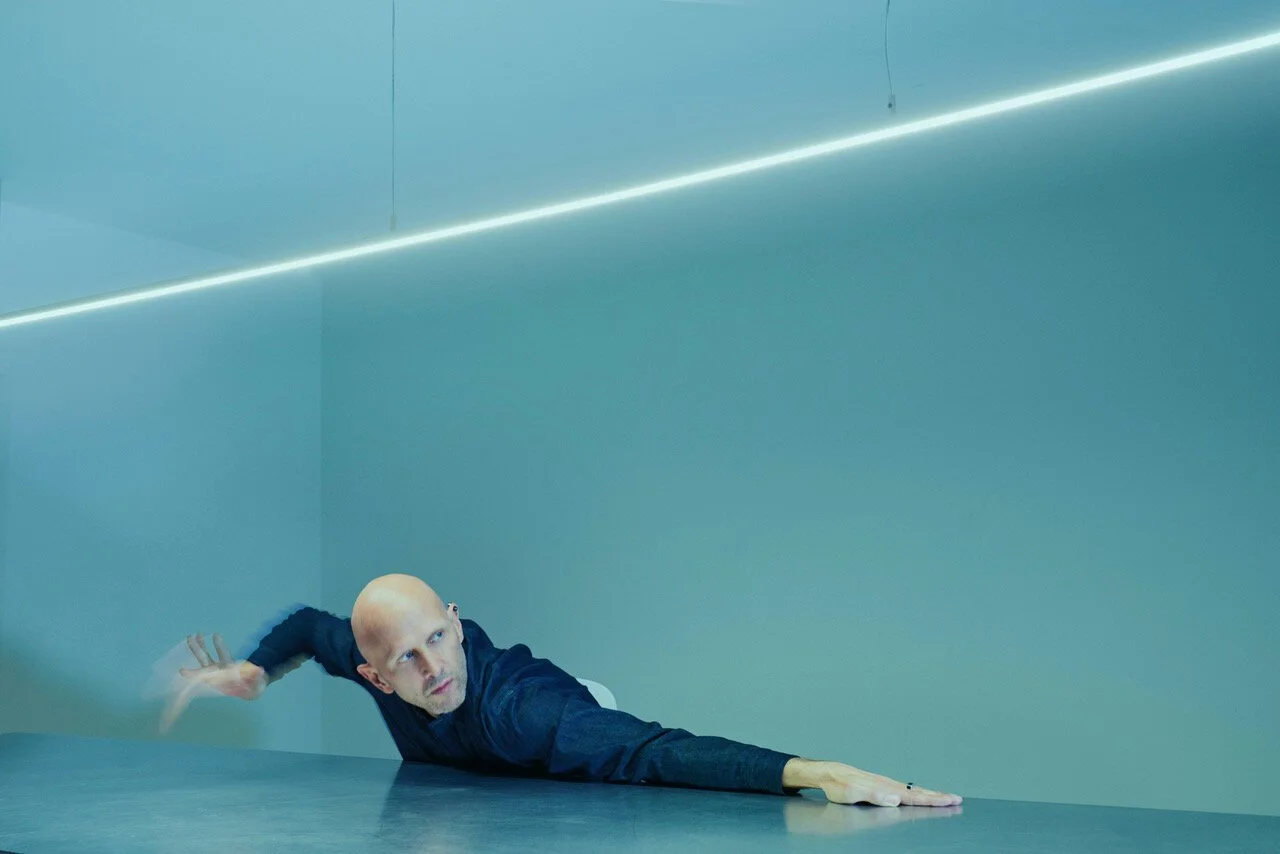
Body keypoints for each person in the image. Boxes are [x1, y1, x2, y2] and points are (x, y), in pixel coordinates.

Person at [162, 573, 961, 808]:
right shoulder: (374, 654)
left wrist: (814, 771)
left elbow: (661, 750)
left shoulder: (531, 716)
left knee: (606, 756)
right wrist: (256, 670)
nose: (433, 667)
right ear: (374, 674)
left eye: (439, 638)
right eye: (407, 659)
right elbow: (308, 623)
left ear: (455, 618)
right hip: (475, 766)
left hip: (571, 719)